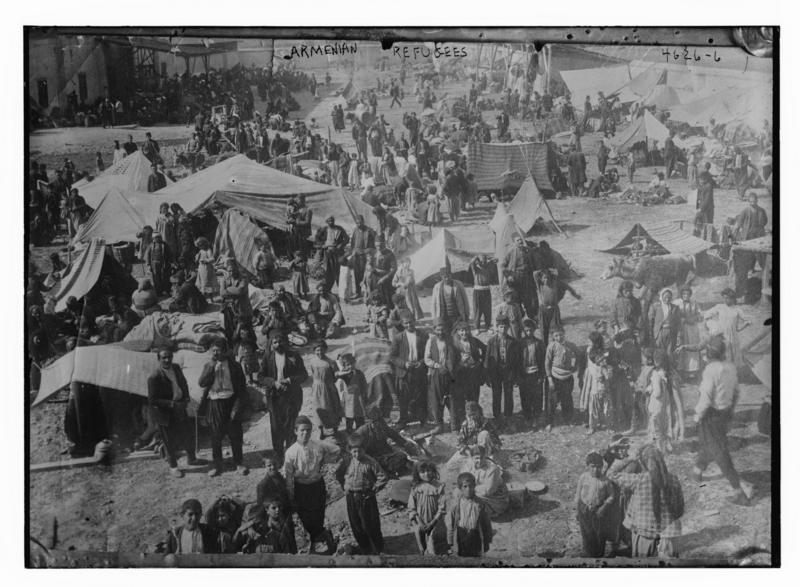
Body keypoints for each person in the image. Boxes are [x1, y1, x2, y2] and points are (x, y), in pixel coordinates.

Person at [608, 445, 684, 557]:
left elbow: (611, 473)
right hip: (669, 536)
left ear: (644, 462)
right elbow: (680, 508)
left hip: (645, 534)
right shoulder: (673, 479)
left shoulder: (639, 480)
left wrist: (630, 458)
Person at [284, 416, 340, 554]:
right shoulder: (291, 452)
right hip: (301, 488)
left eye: (308, 430)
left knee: (318, 516)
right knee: (305, 519)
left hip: (317, 486)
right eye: (302, 430)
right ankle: (324, 536)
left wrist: (324, 461)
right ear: (295, 431)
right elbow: (288, 476)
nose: (305, 433)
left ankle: (317, 545)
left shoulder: (318, 444)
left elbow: (337, 450)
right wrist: (291, 495)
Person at [197, 339, 249, 477]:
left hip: (230, 402)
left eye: (218, 350)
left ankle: (238, 463)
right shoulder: (209, 365)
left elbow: (242, 390)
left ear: (225, 351)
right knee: (215, 436)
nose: (215, 353)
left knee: (235, 435)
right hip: (214, 404)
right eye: (213, 350)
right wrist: (211, 365)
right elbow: (201, 383)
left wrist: (236, 408)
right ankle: (217, 464)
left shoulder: (235, 366)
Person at [147, 348, 199, 478]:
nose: (167, 360)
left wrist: (186, 398)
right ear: (159, 360)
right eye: (163, 357)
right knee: (169, 441)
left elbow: (184, 384)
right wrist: (172, 404)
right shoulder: (154, 377)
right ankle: (173, 466)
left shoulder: (176, 368)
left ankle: (192, 459)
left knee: (187, 433)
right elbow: (153, 400)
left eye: (169, 356)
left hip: (180, 408)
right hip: (165, 414)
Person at [258, 331, 308, 461]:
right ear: (272, 344)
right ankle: (278, 456)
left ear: (285, 342)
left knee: (291, 426)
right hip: (275, 397)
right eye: (275, 342)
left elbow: (304, 375)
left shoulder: (294, 356)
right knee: (276, 427)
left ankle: (291, 457)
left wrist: (290, 380)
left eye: (280, 341)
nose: (278, 344)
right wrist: (274, 383)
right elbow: (261, 377)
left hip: (291, 396)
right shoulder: (267, 357)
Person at [335, 435, 389, 555]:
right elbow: (338, 474)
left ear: (365, 449)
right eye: (354, 451)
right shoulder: (347, 462)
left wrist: (373, 490)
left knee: (370, 524)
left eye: (360, 451)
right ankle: (365, 547)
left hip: (366, 497)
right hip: (351, 497)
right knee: (356, 525)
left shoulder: (370, 462)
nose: (357, 454)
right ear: (350, 451)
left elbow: (383, 477)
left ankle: (379, 549)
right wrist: (344, 486)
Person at [390, 310, 429, 428]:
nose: (409, 325)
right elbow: (392, 356)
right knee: (403, 397)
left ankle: (423, 420)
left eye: (411, 322)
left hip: (419, 370)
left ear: (414, 321)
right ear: (402, 323)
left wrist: (422, 363)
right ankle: (403, 420)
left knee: (421, 396)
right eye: (406, 323)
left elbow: (428, 354)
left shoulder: (423, 335)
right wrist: (404, 364)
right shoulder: (398, 337)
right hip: (404, 372)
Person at [574, 452, 616, 558]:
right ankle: (589, 555)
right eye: (592, 467)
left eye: (598, 467)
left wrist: (604, 506)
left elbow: (611, 495)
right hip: (584, 509)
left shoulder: (605, 480)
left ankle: (599, 556)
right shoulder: (583, 477)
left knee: (599, 534)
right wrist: (576, 510)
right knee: (587, 533)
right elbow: (578, 494)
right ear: (587, 466)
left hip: (599, 511)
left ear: (602, 467)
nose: (595, 470)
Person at [256, 451, 296, 553]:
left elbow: (285, 496)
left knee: (289, 539)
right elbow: (261, 508)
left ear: (279, 464)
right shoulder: (262, 485)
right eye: (269, 465)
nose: (273, 467)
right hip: (273, 521)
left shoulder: (280, 478)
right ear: (264, 466)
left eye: (275, 464)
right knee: (278, 544)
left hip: (284, 516)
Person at [446, 472, 493, 557]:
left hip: (475, 535)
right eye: (465, 486)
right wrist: (450, 542)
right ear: (460, 487)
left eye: (470, 486)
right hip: (461, 535)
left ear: (474, 486)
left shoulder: (480, 503)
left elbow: (487, 523)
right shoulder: (456, 504)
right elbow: (451, 525)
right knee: (462, 559)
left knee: (475, 559)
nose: (468, 489)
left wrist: (488, 539)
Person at [484, 315, 520, 425]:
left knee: (508, 394)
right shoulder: (491, 341)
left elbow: (517, 360)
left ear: (508, 327)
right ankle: (497, 416)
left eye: (505, 327)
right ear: (496, 328)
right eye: (500, 327)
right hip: (496, 372)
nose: (502, 330)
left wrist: (516, 375)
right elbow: (487, 359)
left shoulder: (513, 341)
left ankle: (508, 415)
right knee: (496, 394)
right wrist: (487, 375)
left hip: (508, 371)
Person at [424, 317, 457, 435]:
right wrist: (438, 366)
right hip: (436, 374)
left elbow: (457, 356)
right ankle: (439, 425)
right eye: (438, 330)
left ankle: (454, 426)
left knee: (452, 399)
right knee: (436, 400)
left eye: (442, 330)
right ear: (434, 330)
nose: (440, 332)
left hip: (450, 374)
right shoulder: (431, 341)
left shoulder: (451, 340)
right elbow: (427, 359)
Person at [408, 460, 447, 555]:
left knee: (434, 544)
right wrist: (420, 522)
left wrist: (432, 523)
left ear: (433, 471)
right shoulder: (416, 487)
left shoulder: (439, 487)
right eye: (423, 471)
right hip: (420, 521)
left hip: (435, 522)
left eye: (428, 470)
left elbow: (442, 508)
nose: (426, 474)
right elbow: (411, 507)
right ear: (418, 473)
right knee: (422, 543)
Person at [534, 268, 582, 345]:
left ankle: (556, 345)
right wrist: (544, 270)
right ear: (541, 279)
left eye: (547, 278)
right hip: (543, 310)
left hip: (554, 310)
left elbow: (567, 286)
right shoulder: (540, 285)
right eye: (544, 278)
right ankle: (544, 346)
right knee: (543, 329)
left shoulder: (555, 283)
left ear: (550, 277)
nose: (546, 280)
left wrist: (576, 295)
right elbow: (535, 274)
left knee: (556, 328)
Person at [451, 321, 486, 426]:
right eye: (461, 330)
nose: (464, 333)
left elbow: (486, 348)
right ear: (457, 332)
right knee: (462, 398)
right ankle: (463, 421)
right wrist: (460, 363)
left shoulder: (474, 341)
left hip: (473, 373)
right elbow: (451, 360)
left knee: (473, 396)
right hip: (461, 375)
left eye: (466, 330)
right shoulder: (454, 344)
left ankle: (475, 419)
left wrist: (479, 361)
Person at [309, 339, 343, 440]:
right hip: (317, 389)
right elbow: (313, 374)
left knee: (332, 408)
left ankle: (335, 430)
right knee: (319, 409)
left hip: (329, 388)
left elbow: (335, 376)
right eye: (317, 350)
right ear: (314, 351)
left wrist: (328, 383)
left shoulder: (331, 363)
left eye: (322, 350)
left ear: (326, 350)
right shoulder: (312, 362)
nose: (320, 353)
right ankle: (321, 431)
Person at [545, 325, 579, 428]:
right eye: (556, 336)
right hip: (555, 376)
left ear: (564, 334)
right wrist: (550, 379)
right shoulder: (551, 346)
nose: (559, 337)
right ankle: (549, 422)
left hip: (567, 376)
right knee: (552, 401)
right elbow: (547, 363)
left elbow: (579, 354)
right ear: (553, 336)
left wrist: (575, 367)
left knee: (567, 399)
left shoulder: (571, 345)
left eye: (561, 335)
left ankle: (568, 419)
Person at [499, 235, 538, 320]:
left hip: (527, 277)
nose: (520, 241)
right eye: (518, 240)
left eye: (521, 240)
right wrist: (508, 275)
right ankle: (520, 317)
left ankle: (532, 318)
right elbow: (502, 265)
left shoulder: (528, 250)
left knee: (528, 298)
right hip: (516, 277)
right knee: (517, 298)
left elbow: (535, 264)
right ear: (514, 242)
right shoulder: (510, 251)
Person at [519, 317, 546, 423]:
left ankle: (537, 418)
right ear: (523, 331)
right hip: (524, 374)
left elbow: (543, 360)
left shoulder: (539, 343)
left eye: (531, 330)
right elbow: (517, 361)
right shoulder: (520, 343)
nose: (529, 332)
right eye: (526, 330)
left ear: (534, 330)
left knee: (537, 396)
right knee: (525, 396)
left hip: (535, 373)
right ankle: (527, 417)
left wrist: (541, 376)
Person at [335, 352, 369, 434]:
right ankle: (350, 436)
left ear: (355, 362)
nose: (350, 366)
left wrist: (364, 395)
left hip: (359, 400)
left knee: (360, 419)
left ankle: (361, 435)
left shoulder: (360, 373)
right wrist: (346, 372)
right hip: (349, 401)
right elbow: (336, 374)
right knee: (349, 419)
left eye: (352, 363)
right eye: (347, 365)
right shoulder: (344, 375)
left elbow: (364, 385)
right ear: (344, 366)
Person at [431, 266, 470, 334]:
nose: (446, 279)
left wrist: (467, 314)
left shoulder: (458, 284)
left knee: (457, 335)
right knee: (446, 335)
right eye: (444, 277)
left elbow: (465, 300)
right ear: (441, 277)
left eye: (448, 276)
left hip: (457, 317)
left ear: (451, 275)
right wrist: (435, 318)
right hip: (444, 317)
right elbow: (433, 304)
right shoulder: (437, 287)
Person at [674, 286, 702, 378]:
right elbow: (675, 315)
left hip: (693, 328)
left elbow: (700, 315)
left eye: (687, 294)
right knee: (682, 348)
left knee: (692, 348)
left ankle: (692, 370)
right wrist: (684, 320)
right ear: (681, 294)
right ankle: (681, 370)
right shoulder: (677, 303)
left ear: (690, 294)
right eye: (683, 294)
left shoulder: (694, 303)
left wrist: (694, 318)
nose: (685, 296)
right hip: (682, 328)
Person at [316, 215, 349, 291]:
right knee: (328, 271)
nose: (331, 222)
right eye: (329, 221)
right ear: (326, 222)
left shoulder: (339, 229)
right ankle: (328, 290)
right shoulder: (324, 229)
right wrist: (322, 245)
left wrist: (341, 245)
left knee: (338, 271)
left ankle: (341, 290)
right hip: (328, 253)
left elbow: (346, 238)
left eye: (332, 220)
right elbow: (317, 238)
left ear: (334, 221)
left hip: (337, 253)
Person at [648, 288, 683, 357]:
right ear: (661, 297)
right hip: (659, 332)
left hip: (671, 332)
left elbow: (679, 323)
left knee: (670, 352)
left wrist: (679, 336)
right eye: (665, 297)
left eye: (669, 298)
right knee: (659, 351)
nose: (667, 300)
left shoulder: (675, 308)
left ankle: (668, 367)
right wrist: (651, 334)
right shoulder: (655, 306)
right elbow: (650, 321)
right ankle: (659, 367)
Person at [350, 215, 375, 300]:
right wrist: (353, 252)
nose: (359, 224)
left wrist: (368, 251)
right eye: (357, 222)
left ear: (363, 222)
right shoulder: (355, 231)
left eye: (360, 222)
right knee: (357, 274)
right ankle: (358, 292)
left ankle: (369, 293)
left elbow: (373, 244)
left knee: (366, 275)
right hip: (356, 255)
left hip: (365, 256)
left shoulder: (369, 231)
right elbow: (352, 243)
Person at [220, 259, 253, 324]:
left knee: (244, 328)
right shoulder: (224, 278)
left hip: (242, 307)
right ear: (227, 270)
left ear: (237, 269)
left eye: (233, 270)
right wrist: (236, 289)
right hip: (229, 307)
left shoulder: (244, 277)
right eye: (229, 271)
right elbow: (222, 293)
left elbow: (240, 292)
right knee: (230, 327)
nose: (232, 273)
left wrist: (228, 289)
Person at [371, 234, 398, 310]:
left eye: (380, 245)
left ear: (384, 244)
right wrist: (369, 267)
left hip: (385, 278)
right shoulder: (374, 253)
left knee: (386, 296)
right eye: (377, 246)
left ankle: (389, 313)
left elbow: (394, 268)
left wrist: (385, 278)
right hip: (375, 277)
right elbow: (370, 264)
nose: (378, 248)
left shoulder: (389, 254)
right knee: (376, 296)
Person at [469, 254, 493, 332]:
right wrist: (477, 257)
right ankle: (477, 327)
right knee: (477, 310)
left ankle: (488, 326)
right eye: (482, 261)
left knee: (487, 309)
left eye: (485, 261)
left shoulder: (487, 267)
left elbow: (496, 260)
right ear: (478, 262)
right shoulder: (475, 268)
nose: (483, 263)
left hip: (486, 290)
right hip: (478, 291)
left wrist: (488, 257)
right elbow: (471, 262)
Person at [194, 237, 217, 302]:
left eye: (201, 246)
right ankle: (203, 298)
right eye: (199, 246)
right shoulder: (200, 251)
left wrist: (206, 260)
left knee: (207, 282)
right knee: (202, 282)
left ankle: (210, 298)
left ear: (204, 244)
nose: (200, 247)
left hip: (207, 268)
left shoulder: (208, 251)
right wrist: (197, 259)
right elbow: (197, 260)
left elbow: (212, 259)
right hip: (201, 268)